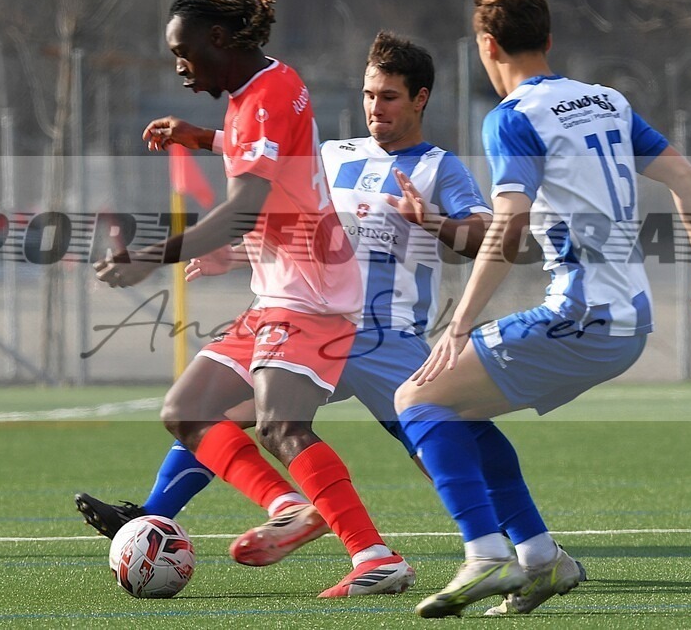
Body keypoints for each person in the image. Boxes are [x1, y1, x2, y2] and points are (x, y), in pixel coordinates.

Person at [77, 31, 493, 588]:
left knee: (431, 440)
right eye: (369, 95)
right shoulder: (336, 153)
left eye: (390, 97)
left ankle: (510, 538)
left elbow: (485, 236)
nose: (376, 107)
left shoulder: (440, 168)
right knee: (214, 414)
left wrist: (431, 221)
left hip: (383, 335)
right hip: (306, 319)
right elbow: (266, 164)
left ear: (420, 99)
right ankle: (152, 519)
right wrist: (201, 141)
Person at [393, 0, 691, 618]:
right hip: (630, 318)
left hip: (579, 316)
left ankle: (486, 555)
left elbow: (509, 224)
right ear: (547, 38)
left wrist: (461, 322)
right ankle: (542, 557)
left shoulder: (512, 117)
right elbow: (687, 179)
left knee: (415, 396)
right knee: (458, 409)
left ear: (486, 44)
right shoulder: (606, 99)